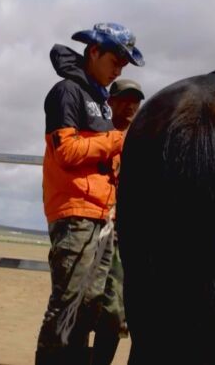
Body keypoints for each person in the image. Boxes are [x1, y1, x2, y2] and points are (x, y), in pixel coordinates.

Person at [37, 23, 145, 365]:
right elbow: (66, 152)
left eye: (124, 64)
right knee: (67, 303)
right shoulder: (67, 92)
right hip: (75, 214)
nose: (119, 69)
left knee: (91, 304)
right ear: (94, 51)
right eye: (116, 59)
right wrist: (119, 139)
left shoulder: (99, 99)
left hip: (100, 214)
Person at [92, 79, 145, 365]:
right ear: (110, 101)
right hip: (101, 231)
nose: (131, 105)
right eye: (124, 98)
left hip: (134, 239)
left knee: (126, 311)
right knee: (107, 309)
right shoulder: (98, 135)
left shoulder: (145, 142)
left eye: (136, 100)